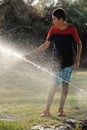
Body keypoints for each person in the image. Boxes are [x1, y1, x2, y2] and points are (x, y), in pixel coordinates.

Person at [24, 8, 82, 116]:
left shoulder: (71, 29)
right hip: (55, 62)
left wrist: (77, 60)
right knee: (53, 85)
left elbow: (79, 43)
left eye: (54, 19)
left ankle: (60, 110)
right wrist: (31, 54)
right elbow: (46, 45)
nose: (53, 21)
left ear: (61, 19)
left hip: (68, 62)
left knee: (65, 85)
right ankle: (47, 110)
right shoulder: (53, 29)